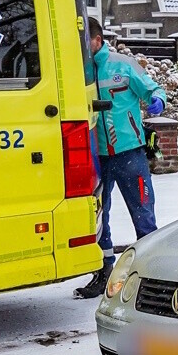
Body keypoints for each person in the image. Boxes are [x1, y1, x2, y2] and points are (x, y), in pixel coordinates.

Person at [74, 21, 165, 299]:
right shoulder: (79, 70)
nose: (81, 46)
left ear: (97, 40)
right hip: (97, 156)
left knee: (143, 214)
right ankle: (103, 273)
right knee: (99, 217)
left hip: (129, 153)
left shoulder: (123, 64)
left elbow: (154, 89)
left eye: (85, 41)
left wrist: (157, 101)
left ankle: (152, 275)